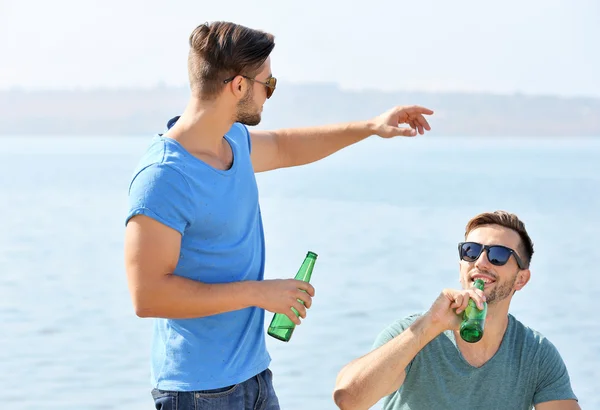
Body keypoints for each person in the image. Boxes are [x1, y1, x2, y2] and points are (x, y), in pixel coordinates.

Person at [123, 20, 434, 410]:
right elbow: (148, 295)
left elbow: (287, 147)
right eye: (267, 84)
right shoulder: (164, 177)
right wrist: (260, 293)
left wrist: (370, 127)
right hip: (196, 392)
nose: (270, 95)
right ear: (238, 86)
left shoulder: (231, 141)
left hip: (253, 378)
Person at [333, 210, 580, 410]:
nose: (481, 262)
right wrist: (429, 325)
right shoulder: (410, 333)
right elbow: (349, 400)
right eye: (471, 251)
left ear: (521, 279)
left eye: (498, 255)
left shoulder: (535, 354)